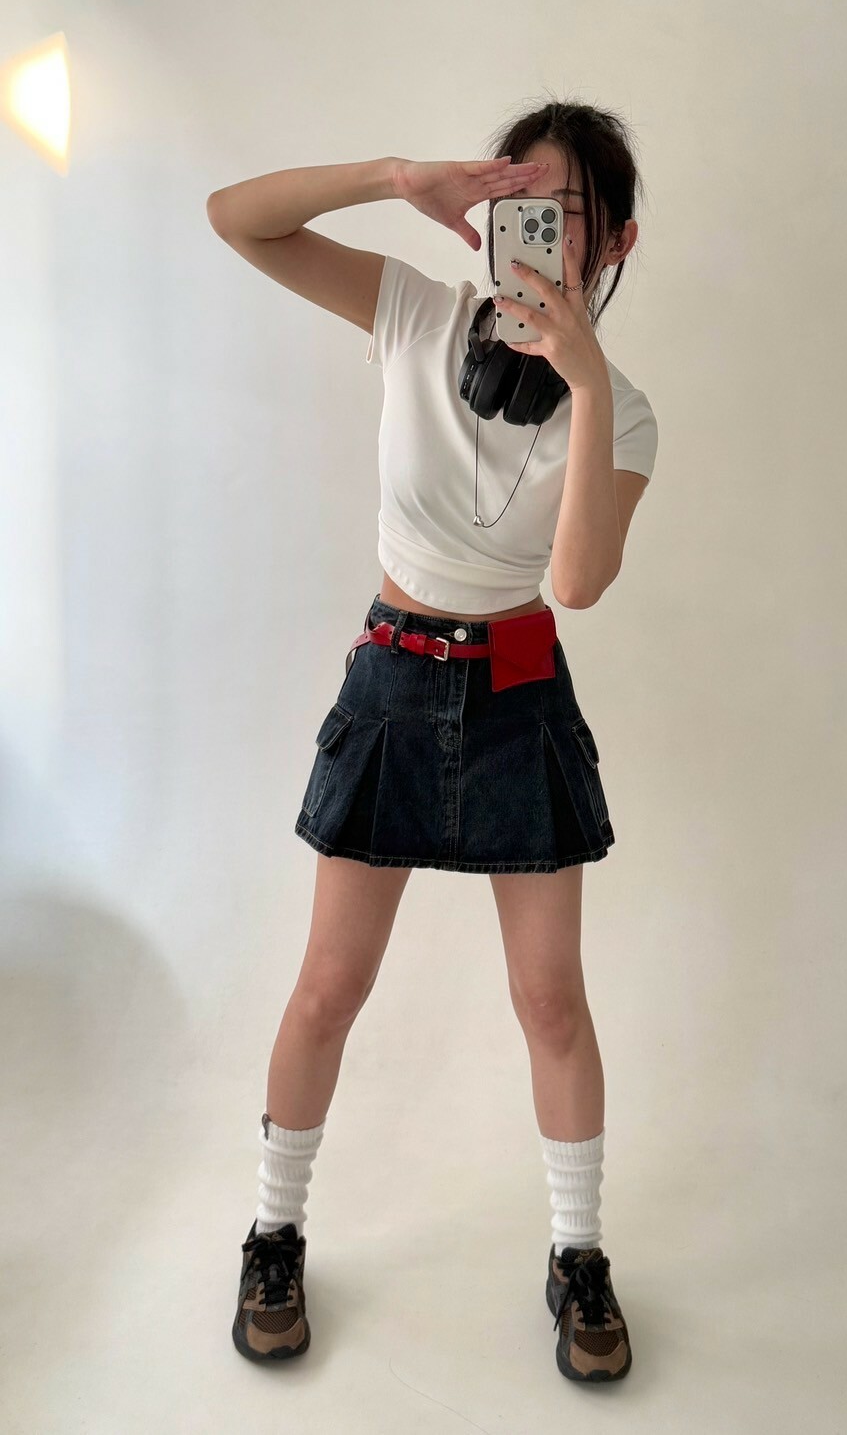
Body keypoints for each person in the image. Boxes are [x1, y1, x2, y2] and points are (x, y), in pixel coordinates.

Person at [207, 96, 657, 1382]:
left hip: (519, 693)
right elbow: (235, 219)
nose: (540, 231)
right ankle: (273, 1232)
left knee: (550, 999)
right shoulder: (411, 314)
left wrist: (583, 377)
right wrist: (396, 176)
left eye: (569, 214)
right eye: (523, 204)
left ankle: (577, 1253)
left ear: (615, 241)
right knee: (327, 986)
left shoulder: (624, 415)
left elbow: (576, 583)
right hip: (396, 682)